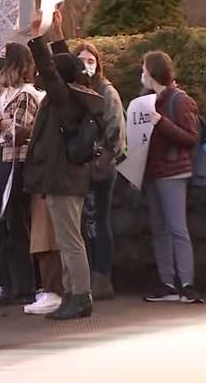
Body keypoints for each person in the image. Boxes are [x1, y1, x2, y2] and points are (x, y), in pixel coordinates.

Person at [24, 10, 103, 320]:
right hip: (68, 177)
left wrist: (35, 37)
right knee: (69, 237)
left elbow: (51, 66)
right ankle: (72, 293)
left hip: (63, 177)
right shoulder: (77, 92)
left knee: (69, 240)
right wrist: (57, 32)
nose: (43, 75)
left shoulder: (64, 98)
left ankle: (80, 296)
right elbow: (63, 63)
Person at [0, 43, 39, 306]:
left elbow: (20, 129)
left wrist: (1, 125)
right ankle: (7, 283)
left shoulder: (27, 94)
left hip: (16, 162)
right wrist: (0, 123)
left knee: (15, 222)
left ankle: (25, 285)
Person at [140, 51, 203, 304]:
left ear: (153, 73)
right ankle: (167, 283)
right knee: (159, 230)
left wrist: (161, 123)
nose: (141, 74)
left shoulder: (180, 100)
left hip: (174, 172)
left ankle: (187, 284)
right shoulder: (146, 101)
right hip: (153, 172)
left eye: (144, 69)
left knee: (177, 228)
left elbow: (190, 137)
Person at [74, 42, 126, 300]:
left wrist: (102, 162)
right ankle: (93, 275)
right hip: (82, 166)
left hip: (100, 165)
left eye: (91, 60)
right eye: (81, 59)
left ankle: (102, 276)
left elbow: (116, 133)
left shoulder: (106, 92)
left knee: (98, 221)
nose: (86, 64)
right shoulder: (78, 91)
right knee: (87, 223)